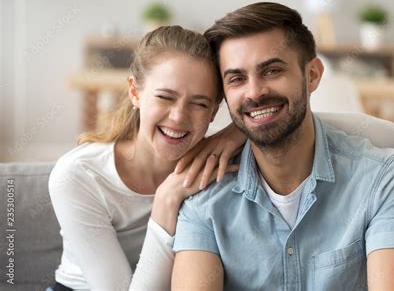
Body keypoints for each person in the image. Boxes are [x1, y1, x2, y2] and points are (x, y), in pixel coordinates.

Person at [171, 2, 394, 290]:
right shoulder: (205, 197)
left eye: (272, 71)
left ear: (312, 75)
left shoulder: (379, 179)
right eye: (237, 79)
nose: (254, 92)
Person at [48, 26, 246, 290]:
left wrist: (238, 130)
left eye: (199, 104)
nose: (178, 116)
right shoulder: (79, 175)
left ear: (213, 111)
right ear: (135, 92)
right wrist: (166, 200)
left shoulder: (215, 161)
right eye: (165, 97)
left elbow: (310, 120)